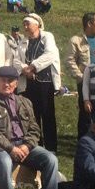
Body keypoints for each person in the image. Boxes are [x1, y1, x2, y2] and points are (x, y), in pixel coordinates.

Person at [15, 13, 61, 152]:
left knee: (47, 114)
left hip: (45, 82)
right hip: (29, 83)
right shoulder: (23, 41)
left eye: (27, 23)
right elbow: (16, 60)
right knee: (31, 114)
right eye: (24, 24)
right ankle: (36, 144)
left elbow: (50, 54)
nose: (25, 27)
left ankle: (51, 147)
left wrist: (33, 66)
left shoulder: (47, 36)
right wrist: (25, 70)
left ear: (37, 24)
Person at [69, 12, 95, 139]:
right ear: (89, 24)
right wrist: (81, 77)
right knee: (86, 113)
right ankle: (84, 141)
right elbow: (70, 60)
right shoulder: (76, 40)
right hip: (84, 82)